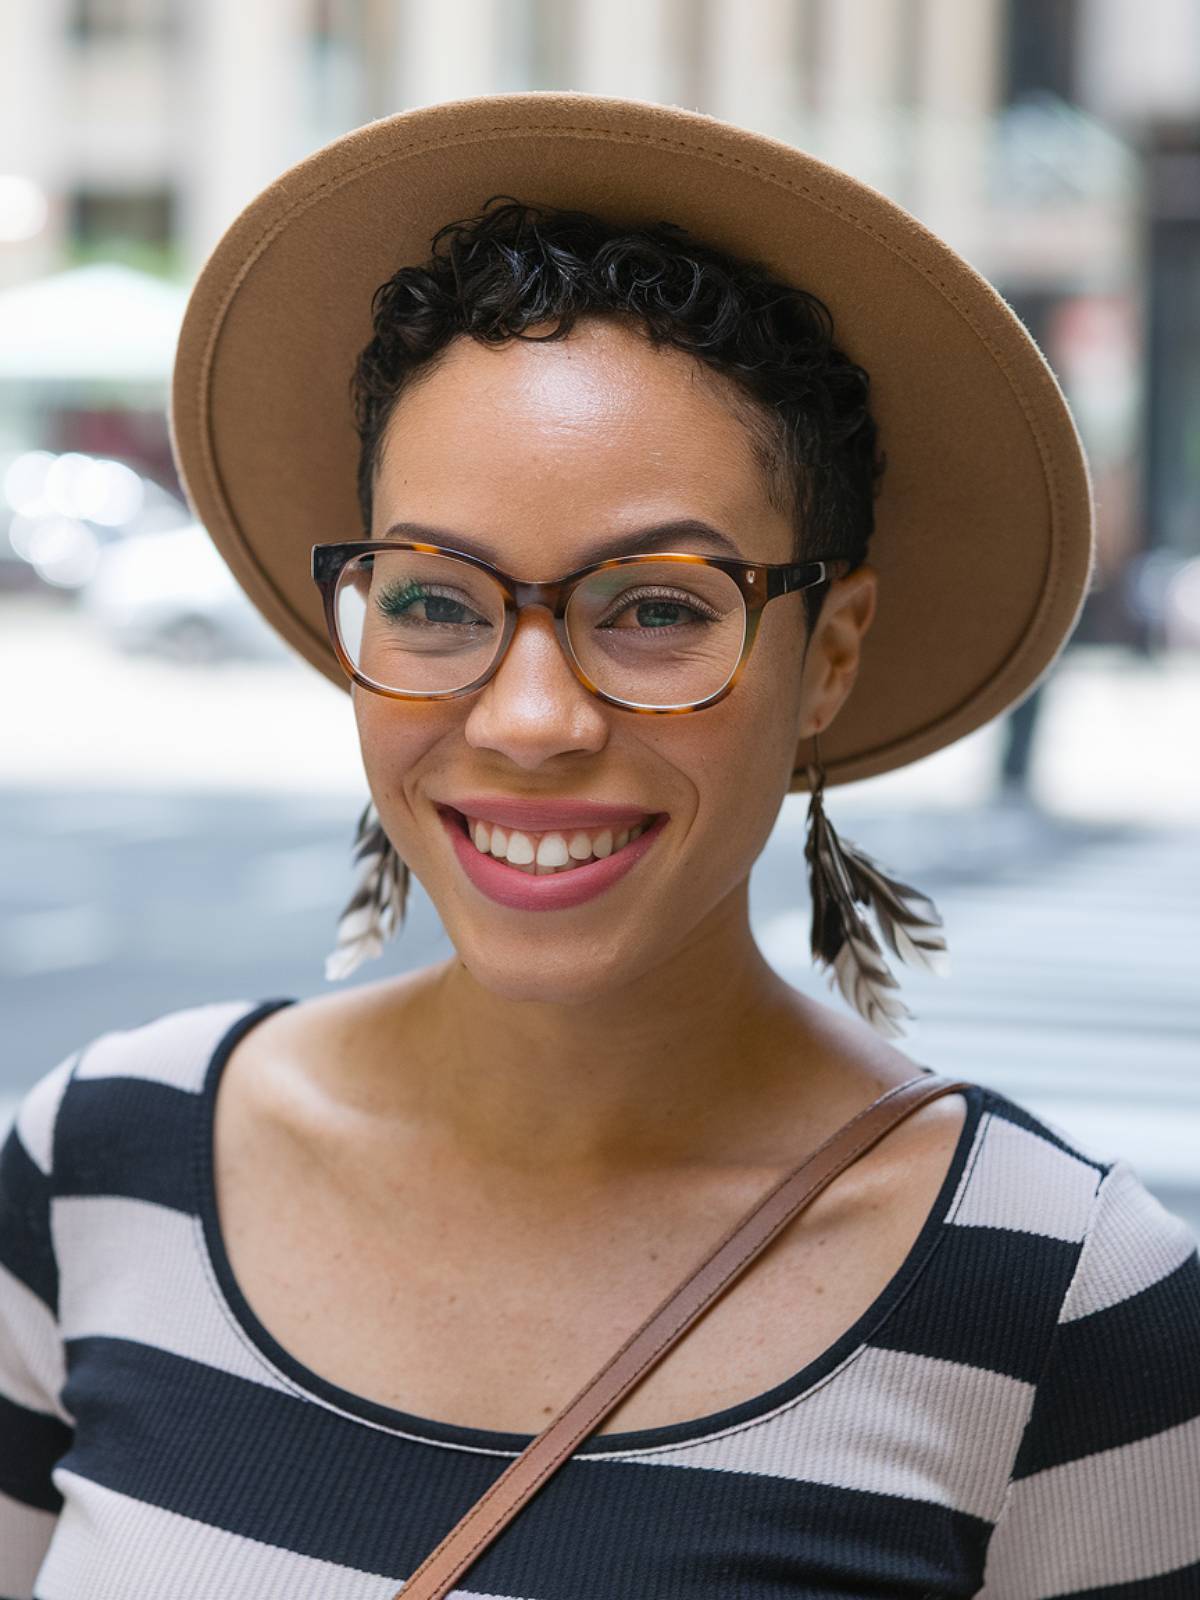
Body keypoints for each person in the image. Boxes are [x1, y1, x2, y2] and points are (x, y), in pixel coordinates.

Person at [2, 95, 1197, 1599]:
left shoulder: (1066, 1303)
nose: (531, 718)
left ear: (827, 653)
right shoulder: (107, 1161)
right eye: (435, 601)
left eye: (656, 610)